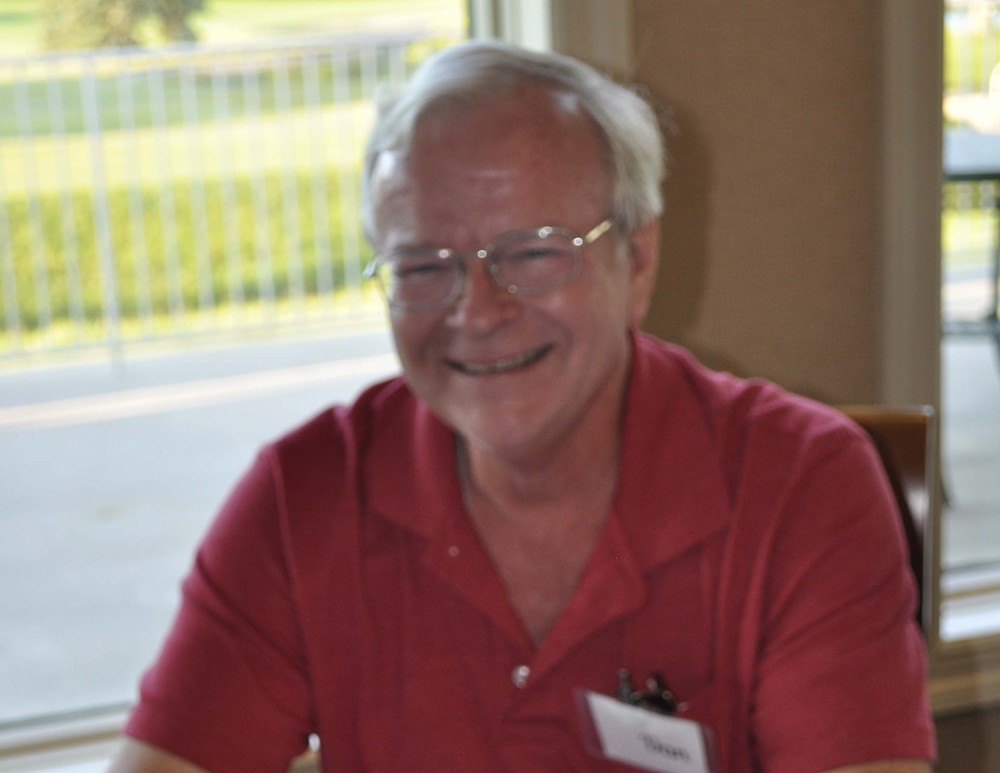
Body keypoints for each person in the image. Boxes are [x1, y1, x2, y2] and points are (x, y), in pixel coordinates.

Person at [109, 39, 935, 772]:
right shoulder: (307, 499)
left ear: (638, 260)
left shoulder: (801, 484)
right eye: (423, 265)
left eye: (533, 254)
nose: (477, 311)